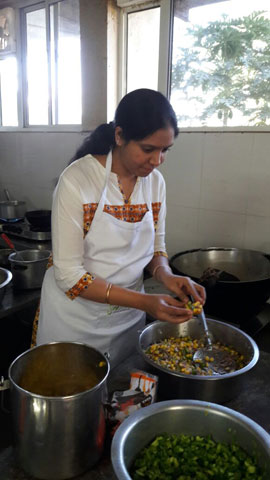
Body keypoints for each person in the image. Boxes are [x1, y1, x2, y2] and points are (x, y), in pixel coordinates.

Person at [34, 88, 205, 368]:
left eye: (165, 150)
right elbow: (68, 276)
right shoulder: (78, 180)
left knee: (121, 393)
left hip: (127, 322)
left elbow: (156, 248)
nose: (157, 160)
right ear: (120, 136)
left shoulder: (155, 182)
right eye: (148, 149)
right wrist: (145, 302)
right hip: (76, 323)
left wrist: (166, 275)